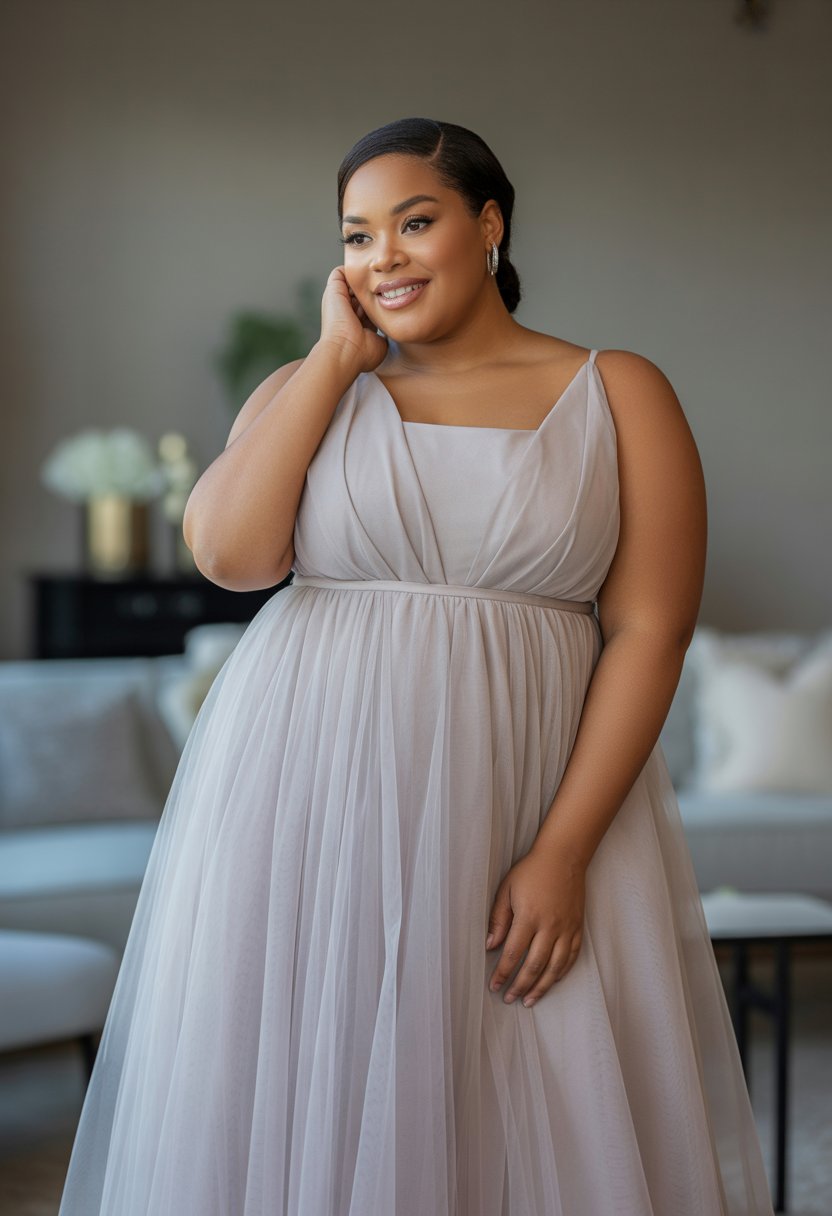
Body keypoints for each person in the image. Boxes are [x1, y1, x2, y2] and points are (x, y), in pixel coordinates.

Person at [58, 117, 775, 1215]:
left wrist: (563, 851)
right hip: (304, 795)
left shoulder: (616, 392)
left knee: (521, 1082)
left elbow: (648, 633)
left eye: (414, 221)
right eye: (355, 235)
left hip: (529, 793)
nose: (381, 254)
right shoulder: (310, 391)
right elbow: (232, 556)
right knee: (312, 1078)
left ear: (488, 226)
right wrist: (335, 360)